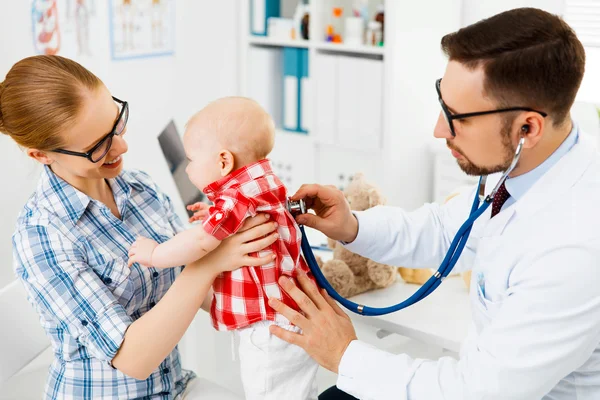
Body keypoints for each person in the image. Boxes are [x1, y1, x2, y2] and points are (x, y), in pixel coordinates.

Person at [267, 7, 600, 400]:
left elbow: (478, 392)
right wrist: (352, 226)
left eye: (457, 117)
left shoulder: (575, 247)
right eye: (442, 102)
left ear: (527, 127)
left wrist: (345, 355)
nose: (439, 129)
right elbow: (446, 229)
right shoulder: (528, 159)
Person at [1, 55, 278, 399]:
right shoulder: (42, 235)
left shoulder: (140, 189)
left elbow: (204, 289)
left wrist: (257, 252)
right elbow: (134, 359)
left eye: (116, 123)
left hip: (174, 386)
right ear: (41, 155)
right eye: (97, 146)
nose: (121, 146)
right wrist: (210, 258)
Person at [128, 97, 319, 400]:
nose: (188, 168)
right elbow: (245, 215)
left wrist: (155, 254)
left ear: (223, 162)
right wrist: (215, 215)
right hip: (287, 318)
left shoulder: (235, 199)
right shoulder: (263, 182)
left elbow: (202, 242)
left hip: (270, 329)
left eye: (191, 159)